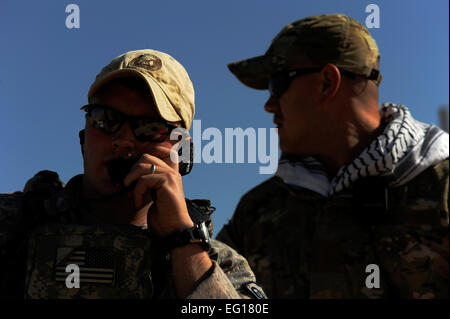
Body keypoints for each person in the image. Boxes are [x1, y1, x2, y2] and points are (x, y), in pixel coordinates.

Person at [0, 49, 266, 299]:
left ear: (181, 150)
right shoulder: (13, 223)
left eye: (149, 127)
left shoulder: (219, 263)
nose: (124, 140)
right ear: (85, 136)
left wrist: (183, 240)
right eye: (106, 120)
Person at [217, 14, 449, 298]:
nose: (269, 105)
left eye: (277, 84)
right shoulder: (256, 212)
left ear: (327, 82)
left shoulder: (443, 187)